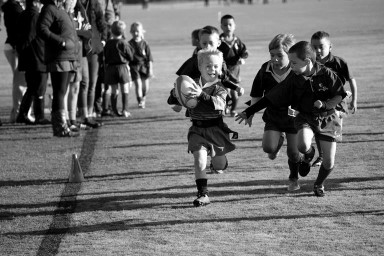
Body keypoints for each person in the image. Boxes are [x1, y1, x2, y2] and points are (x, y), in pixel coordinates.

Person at [236, 41, 347, 197]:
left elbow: (340, 94)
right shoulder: (294, 78)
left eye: (294, 63)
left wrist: (325, 105)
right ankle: (309, 155)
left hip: (328, 119)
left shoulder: (327, 74)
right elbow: (270, 97)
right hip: (305, 118)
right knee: (302, 145)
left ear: (308, 61)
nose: (291, 66)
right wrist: (249, 111)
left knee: (329, 162)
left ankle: (319, 184)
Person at [168, 49, 236, 207]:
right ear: (199, 67)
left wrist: (201, 95)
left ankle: (219, 162)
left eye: (216, 66)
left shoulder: (220, 88)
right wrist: (175, 94)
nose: (212, 69)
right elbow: (174, 104)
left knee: (219, 165)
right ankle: (203, 194)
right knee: (199, 161)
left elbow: (220, 105)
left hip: (216, 130)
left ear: (220, 68)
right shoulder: (189, 84)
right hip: (197, 131)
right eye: (208, 66)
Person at [248, 34, 304, 191]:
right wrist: (250, 112)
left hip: (294, 118)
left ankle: (293, 178)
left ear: (290, 55)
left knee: (293, 153)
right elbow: (256, 93)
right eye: (272, 55)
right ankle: (278, 141)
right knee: (268, 149)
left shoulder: (297, 70)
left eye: (280, 55)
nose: (275, 59)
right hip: (274, 115)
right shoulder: (265, 69)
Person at [310, 31, 358, 167]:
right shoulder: (310, 64)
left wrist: (354, 100)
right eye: (314, 47)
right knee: (319, 129)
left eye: (321, 47)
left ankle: (326, 155)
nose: (317, 50)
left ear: (330, 46)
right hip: (320, 104)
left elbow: (352, 80)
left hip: (338, 102)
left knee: (331, 131)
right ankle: (321, 157)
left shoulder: (339, 62)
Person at [175, 26, 245, 114]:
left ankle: (229, 109)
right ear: (199, 43)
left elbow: (224, 79)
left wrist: (236, 88)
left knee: (215, 123)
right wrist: (178, 102)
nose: (208, 46)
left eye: (211, 43)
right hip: (198, 104)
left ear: (218, 43)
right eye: (204, 43)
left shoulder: (221, 62)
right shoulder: (194, 61)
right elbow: (183, 81)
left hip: (215, 102)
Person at [37, 0, 80, 137]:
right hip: (59, 57)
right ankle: (60, 128)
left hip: (68, 56)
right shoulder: (49, 8)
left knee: (62, 91)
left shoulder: (60, 9)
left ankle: (63, 125)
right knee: (60, 92)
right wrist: (60, 41)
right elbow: (42, 28)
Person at [15, 0, 50, 125]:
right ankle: (39, 115)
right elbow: (31, 36)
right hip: (37, 56)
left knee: (31, 87)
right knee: (40, 87)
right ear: (35, 3)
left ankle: (22, 114)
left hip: (29, 58)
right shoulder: (35, 16)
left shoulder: (23, 14)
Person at [79, 0, 107, 124]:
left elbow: (102, 23)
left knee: (92, 83)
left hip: (94, 48)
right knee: (83, 83)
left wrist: (104, 40)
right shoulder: (75, 4)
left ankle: (89, 114)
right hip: (80, 48)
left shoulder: (95, 3)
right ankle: (83, 115)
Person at [218, 14, 248, 117]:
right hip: (223, 71)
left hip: (235, 71)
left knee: (235, 94)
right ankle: (225, 108)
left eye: (230, 24)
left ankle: (233, 110)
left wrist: (242, 59)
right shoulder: (218, 41)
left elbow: (244, 52)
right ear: (221, 26)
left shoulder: (237, 40)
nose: (228, 27)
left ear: (234, 26)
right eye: (225, 25)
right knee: (225, 91)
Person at [1, 0, 26, 123]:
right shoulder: (13, 7)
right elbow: (16, 29)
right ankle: (17, 112)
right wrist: (18, 45)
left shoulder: (12, 6)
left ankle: (16, 112)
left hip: (11, 46)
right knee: (20, 80)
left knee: (19, 80)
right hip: (14, 47)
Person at [104, 20, 133, 118]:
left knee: (114, 90)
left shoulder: (108, 43)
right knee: (125, 89)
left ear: (111, 31)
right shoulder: (124, 43)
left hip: (111, 68)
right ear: (123, 32)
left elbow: (105, 56)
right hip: (122, 67)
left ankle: (115, 110)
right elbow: (130, 56)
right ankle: (125, 110)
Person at [128, 21, 153, 109]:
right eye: (134, 31)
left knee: (145, 87)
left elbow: (149, 58)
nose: (135, 33)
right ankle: (140, 102)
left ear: (142, 31)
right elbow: (127, 58)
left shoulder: (145, 43)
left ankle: (143, 97)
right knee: (138, 85)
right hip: (134, 67)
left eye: (137, 31)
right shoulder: (129, 44)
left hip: (144, 67)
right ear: (131, 32)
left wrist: (150, 70)